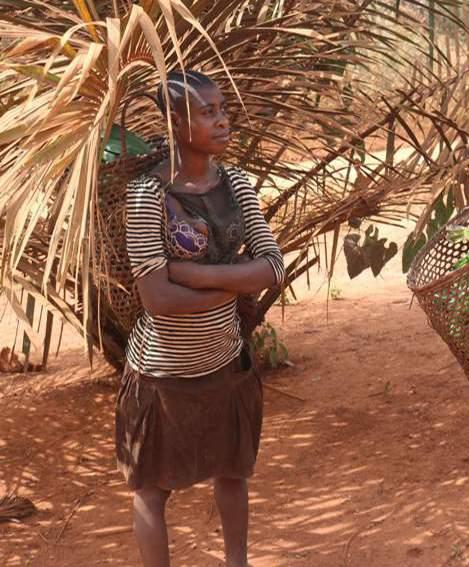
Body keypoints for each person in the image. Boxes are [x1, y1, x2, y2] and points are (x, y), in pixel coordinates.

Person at [116, 69, 285, 567]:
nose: (222, 120)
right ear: (175, 123)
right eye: (207, 112)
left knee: (232, 472)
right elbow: (157, 300)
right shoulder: (149, 196)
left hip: (225, 365)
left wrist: (194, 274)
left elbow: (273, 267)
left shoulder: (236, 184)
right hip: (162, 376)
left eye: (222, 110)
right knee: (151, 488)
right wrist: (233, 281)